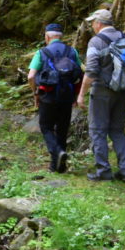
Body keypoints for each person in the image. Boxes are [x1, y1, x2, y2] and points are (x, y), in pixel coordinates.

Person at [76, 9, 125, 182]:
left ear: (99, 23)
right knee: (117, 129)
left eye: (93, 22)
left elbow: (92, 71)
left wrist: (81, 94)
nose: (92, 25)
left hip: (102, 90)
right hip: (123, 90)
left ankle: (103, 171)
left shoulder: (96, 41)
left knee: (97, 130)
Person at [27, 23, 82, 172]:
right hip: (67, 95)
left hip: (48, 95)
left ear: (47, 36)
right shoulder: (72, 51)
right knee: (62, 129)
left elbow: (31, 76)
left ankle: (57, 152)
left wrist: (36, 92)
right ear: (60, 36)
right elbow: (79, 74)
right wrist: (76, 95)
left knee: (46, 127)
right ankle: (58, 167)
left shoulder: (42, 52)